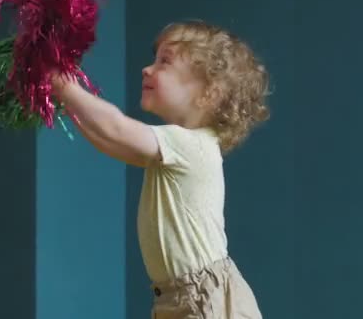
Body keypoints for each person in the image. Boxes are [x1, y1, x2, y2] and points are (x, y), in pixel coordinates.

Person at [52, 20, 270, 318]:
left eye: (164, 62)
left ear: (209, 93)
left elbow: (115, 127)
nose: (147, 69)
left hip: (205, 300)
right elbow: (112, 142)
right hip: (179, 298)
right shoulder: (172, 151)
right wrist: (67, 105)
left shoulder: (191, 146)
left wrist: (65, 87)